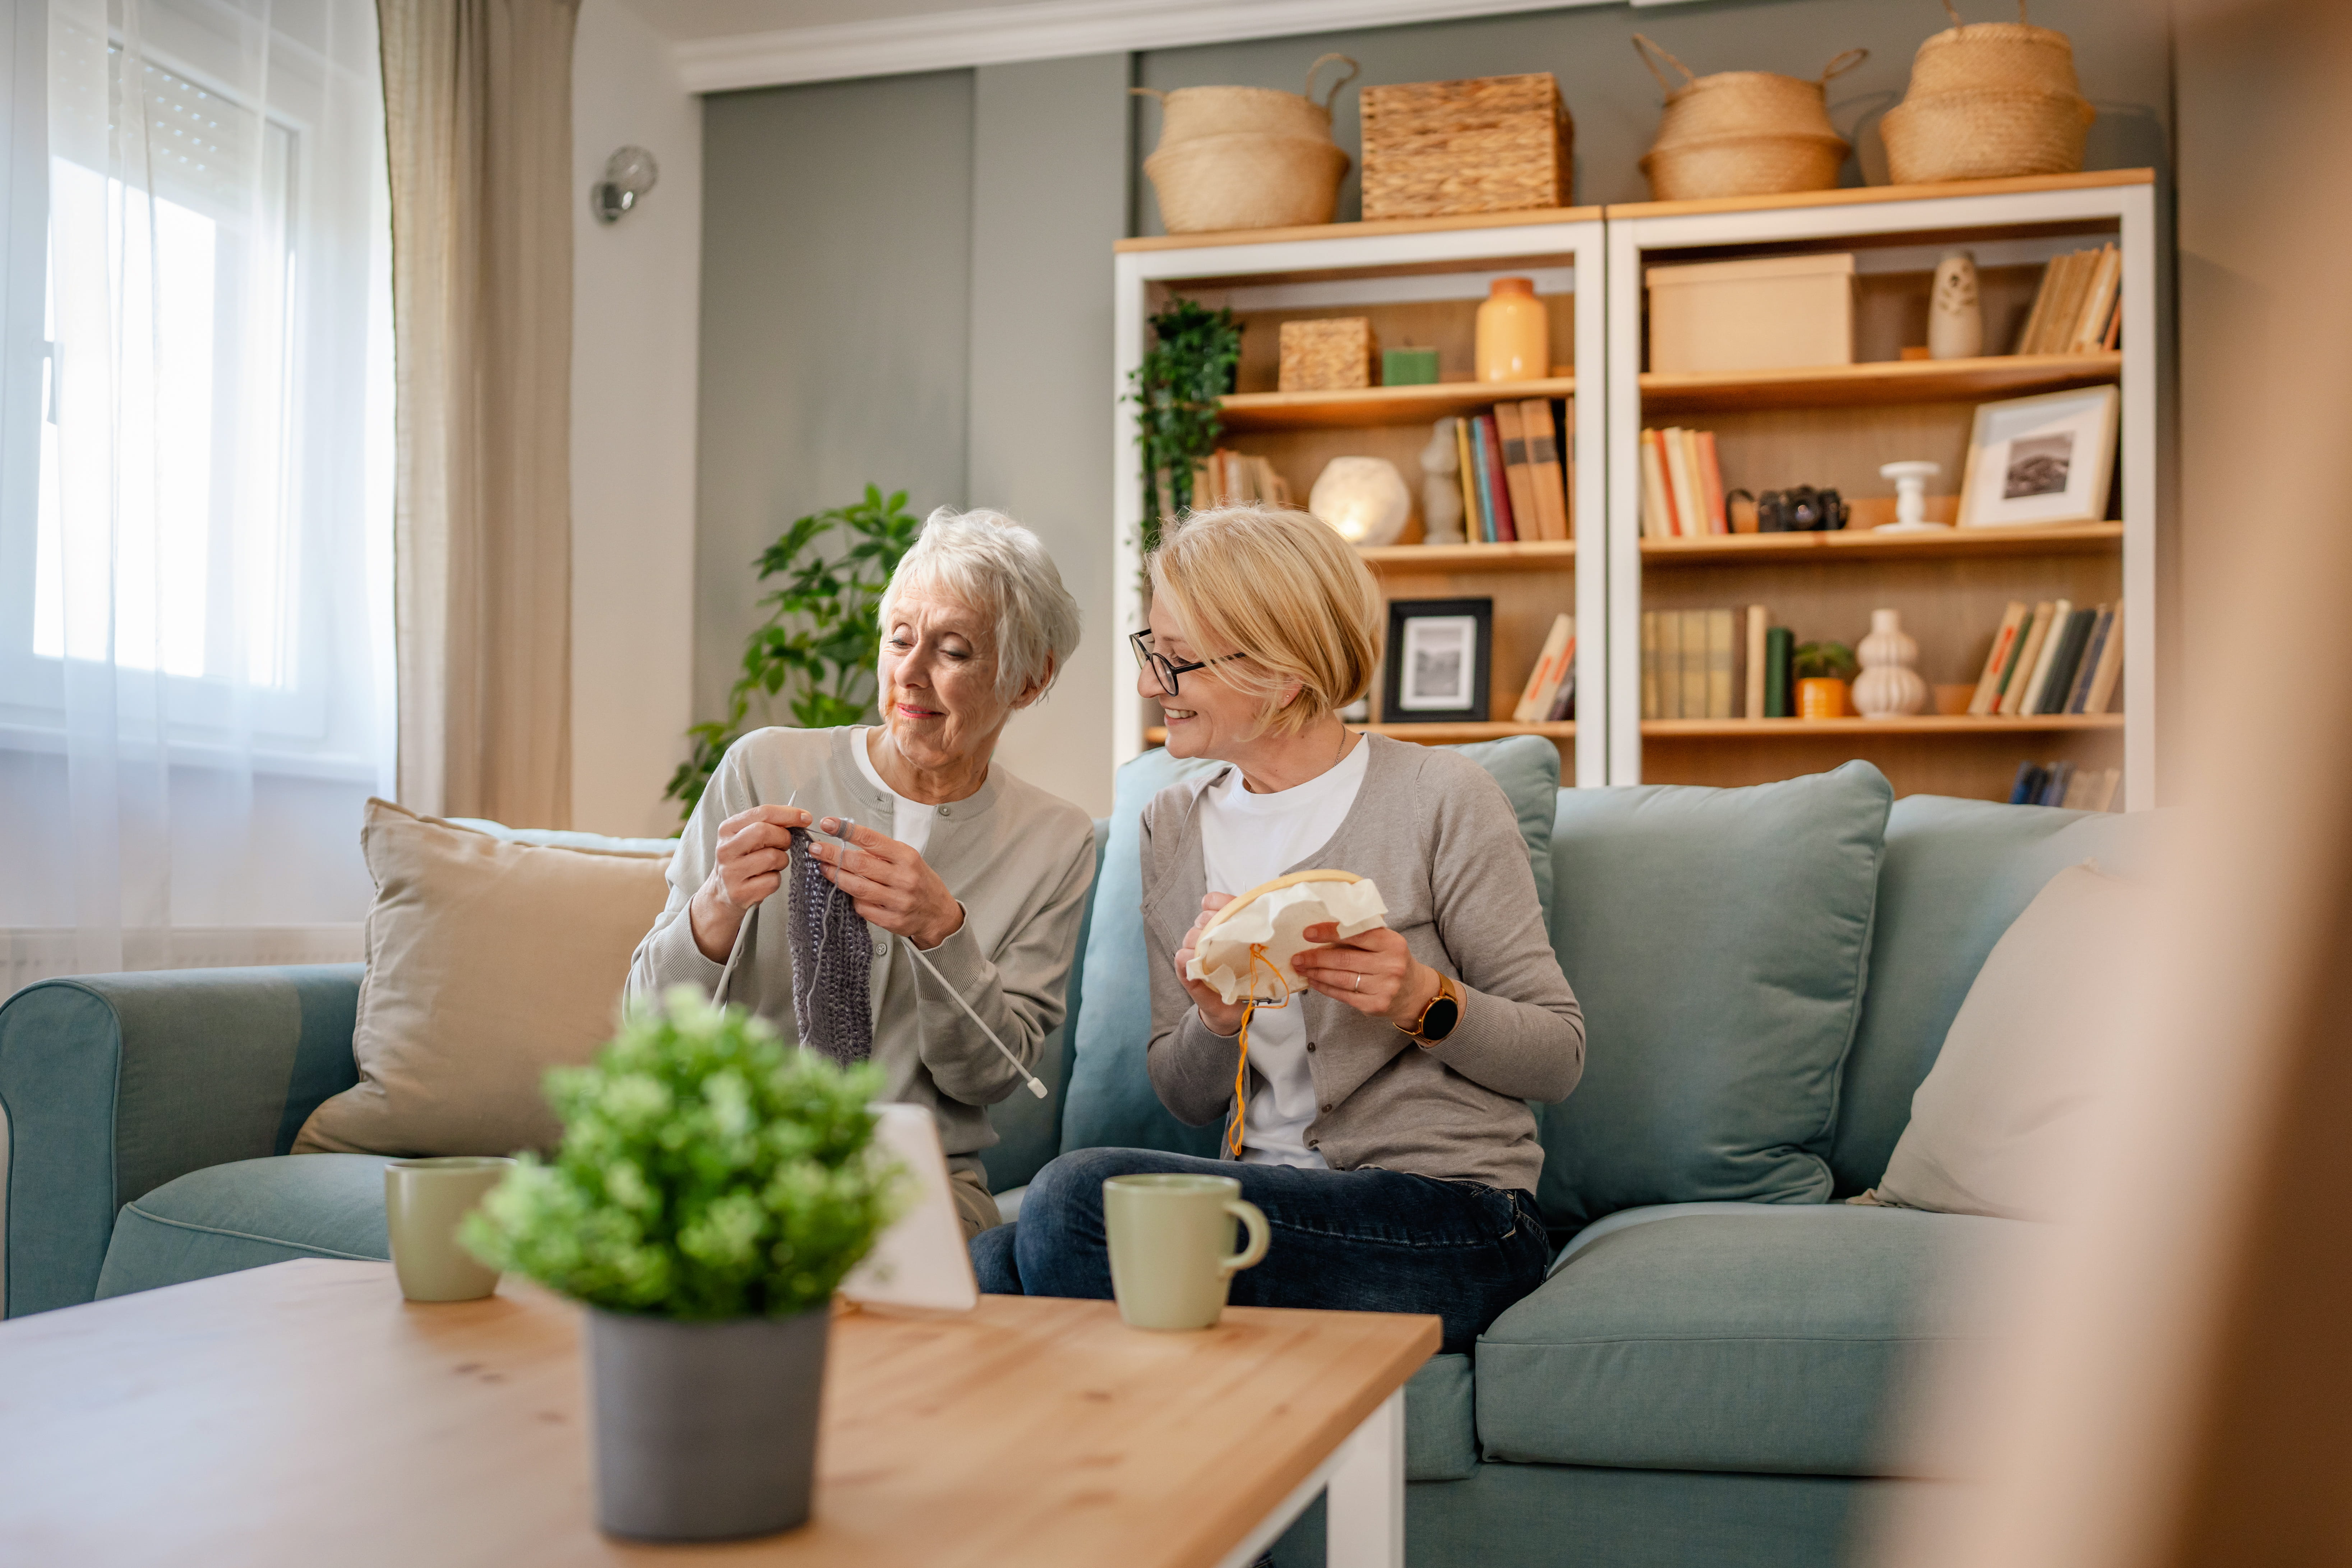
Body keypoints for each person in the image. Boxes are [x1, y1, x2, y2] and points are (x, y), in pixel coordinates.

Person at [972, 505, 1584, 1352]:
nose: (1151, 684)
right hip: (1266, 1204)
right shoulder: (1172, 825)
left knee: (1074, 1203)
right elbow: (1184, 1095)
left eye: (1176, 660)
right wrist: (1215, 1020)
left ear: (1280, 672)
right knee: (987, 1263)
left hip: (1456, 1220)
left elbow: (1558, 1054)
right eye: (1150, 649)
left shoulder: (1441, 797)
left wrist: (1421, 997)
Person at [629, 508, 1095, 1240]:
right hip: (738, 1159)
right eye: (899, 640)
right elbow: (645, 1021)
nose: (909, 674)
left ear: (1028, 680)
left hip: (920, 1185)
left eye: (953, 651)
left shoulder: (1054, 840)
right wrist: (716, 906)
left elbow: (991, 1078)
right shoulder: (763, 768)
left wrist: (944, 932)